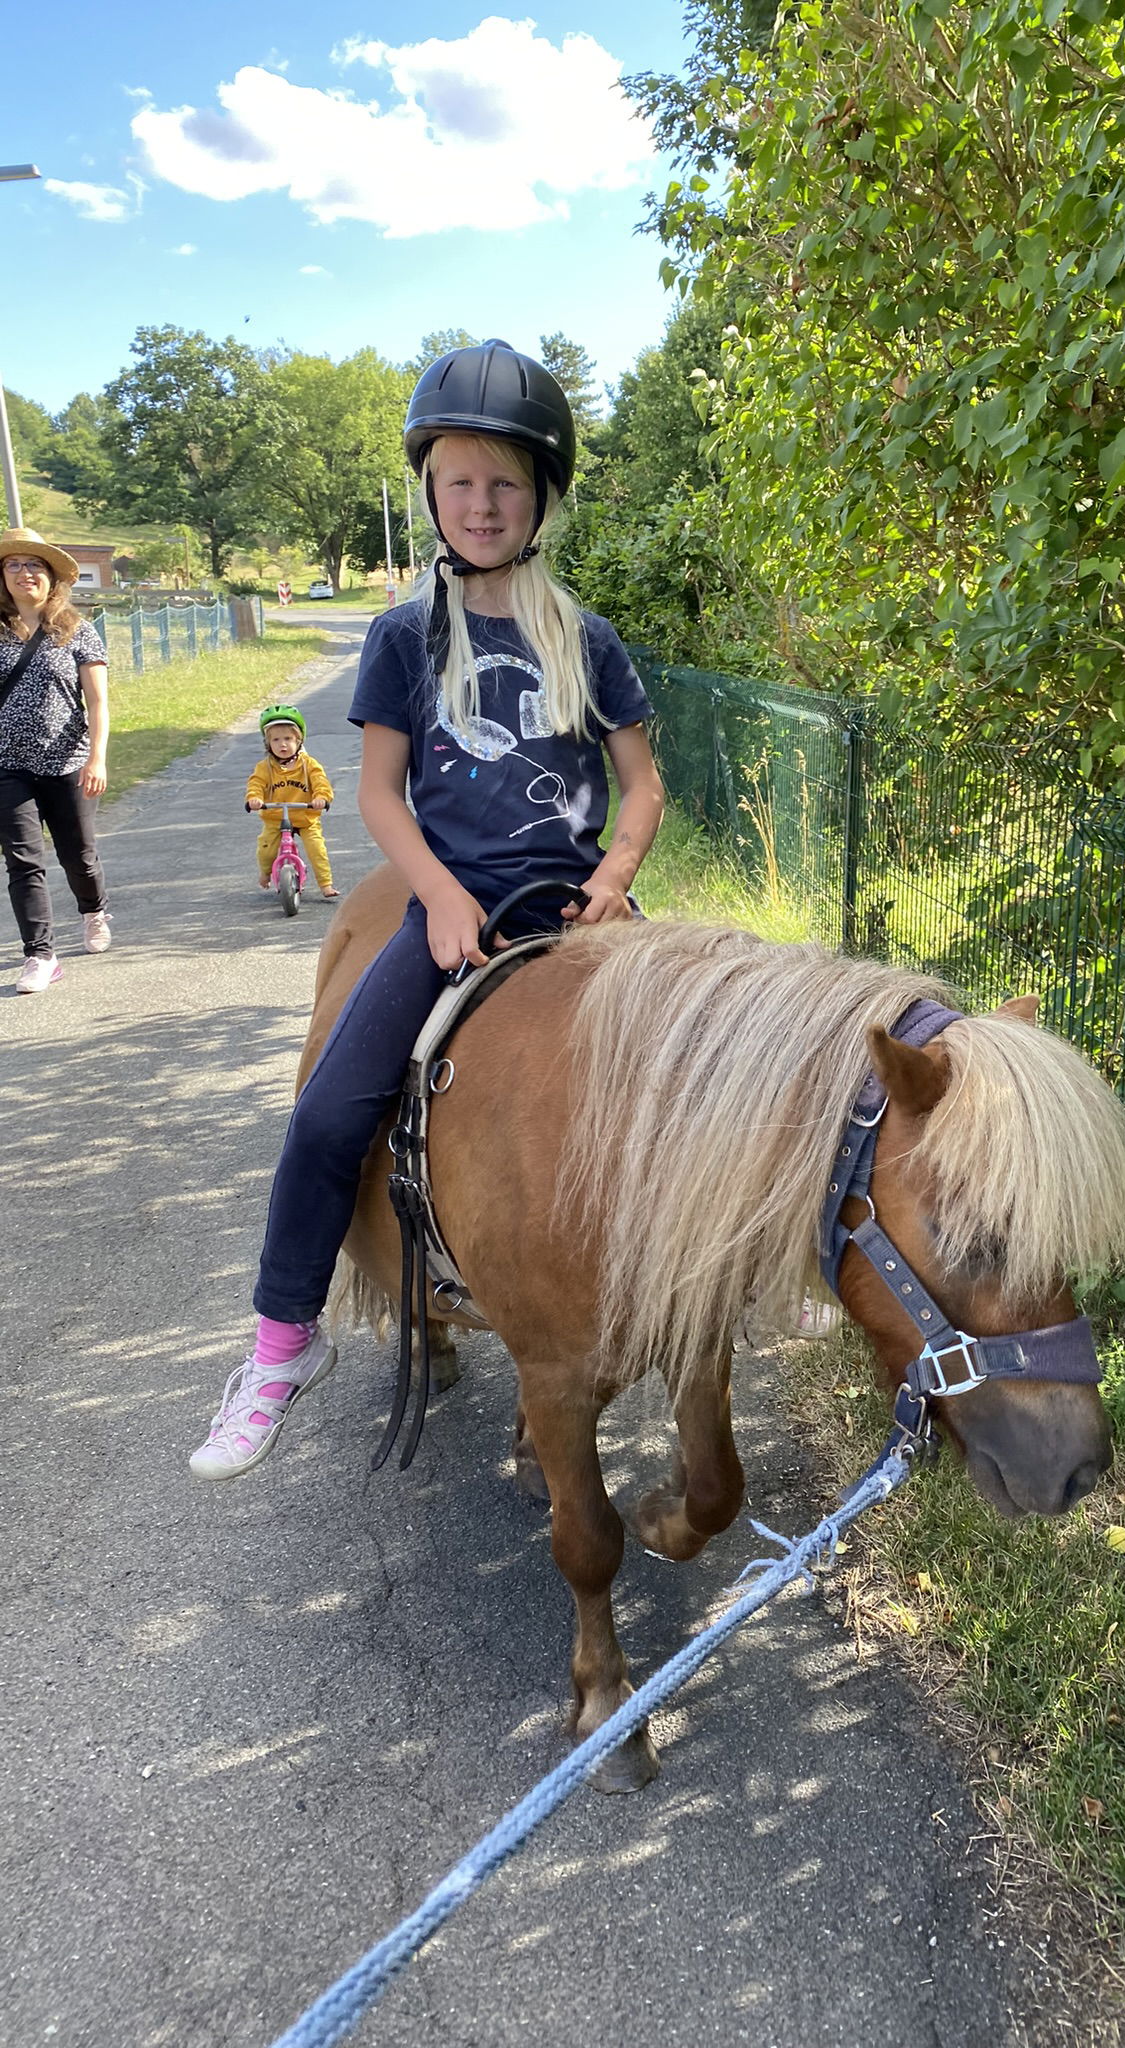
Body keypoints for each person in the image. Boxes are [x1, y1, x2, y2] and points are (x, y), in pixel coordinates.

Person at [189, 339, 666, 1480]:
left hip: (578, 909)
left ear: (540, 496)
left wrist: (613, 879)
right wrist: (441, 894)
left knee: (701, 1088)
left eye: (506, 481)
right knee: (323, 1115)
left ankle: (744, 1277)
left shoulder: (584, 637)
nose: (484, 503)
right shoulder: (405, 636)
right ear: (430, 493)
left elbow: (640, 784)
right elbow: (377, 792)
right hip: (451, 909)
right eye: (461, 481)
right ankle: (279, 1343)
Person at [0, 527, 113, 995]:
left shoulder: (77, 630)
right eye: (14, 565)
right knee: (23, 861)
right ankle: (40, 955)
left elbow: (98, 703)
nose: (25, 573)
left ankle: (93, 910)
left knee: (78, 855)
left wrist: (97, 758)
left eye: (34, 565)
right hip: (7, 765)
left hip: (68, 760)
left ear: (51, 577)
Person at [246, 704, 339, 899]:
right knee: (266, 849)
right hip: (275, 817)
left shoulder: (309, 764)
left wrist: (321, 797)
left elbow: (321, 783)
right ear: (268, 744)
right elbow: (256, 784)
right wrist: (254, 798)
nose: (283, 744)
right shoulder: (265, 767)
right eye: (276, 740)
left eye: (288, 739)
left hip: (306, 816)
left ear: (299, 740)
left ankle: (326, 884)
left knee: (316, 848)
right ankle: (265, 872)